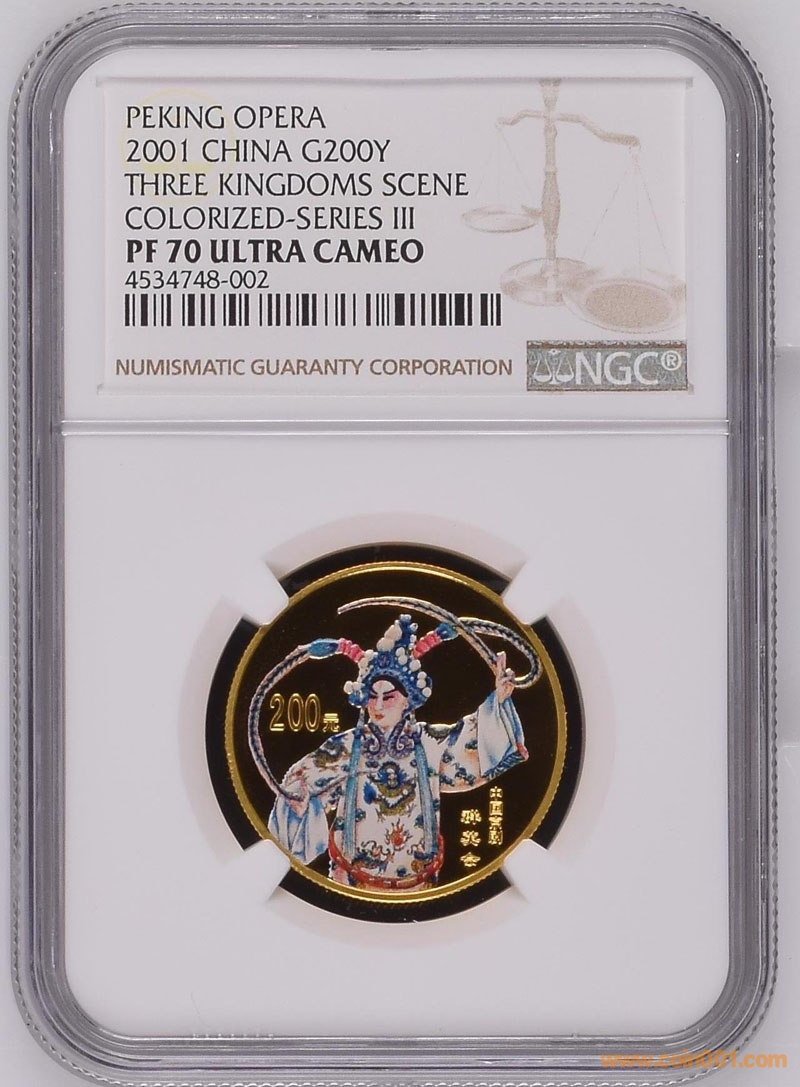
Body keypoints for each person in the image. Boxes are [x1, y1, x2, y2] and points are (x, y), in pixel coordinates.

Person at [265, 614, 529, 892]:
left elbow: (470, 747)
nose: (378, 706)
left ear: (408, 700)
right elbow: (301, 785)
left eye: (389, 697)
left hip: (419, 889)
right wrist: (299, 802)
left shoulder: (429, 743)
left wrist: (499, 700)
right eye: (372, 696)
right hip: (351, 887)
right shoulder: (346, 747)